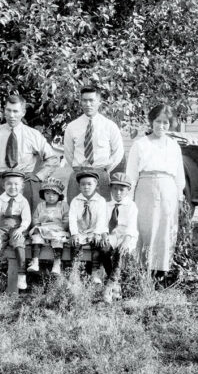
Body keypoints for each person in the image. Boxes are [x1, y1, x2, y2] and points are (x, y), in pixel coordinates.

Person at [0, 95, 59, 231]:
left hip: (25, 183)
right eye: (8, 110)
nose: (11, 115)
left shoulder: (33, 135)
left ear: (23, 112)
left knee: (28, 225)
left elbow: (52, 158)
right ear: (4, 111)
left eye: (15, 111)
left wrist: (39, 176)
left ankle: (25, 250)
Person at [126, 104, 186, 283]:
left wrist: (180, 196)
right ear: (151, 122)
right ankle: (143, 271)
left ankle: (161, 272)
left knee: (166, 228)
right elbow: (131, 175)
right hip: (146, 188)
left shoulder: (174, 146)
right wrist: (128, 200)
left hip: (168, 189)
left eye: (166, 122)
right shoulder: (140, 145)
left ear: (171, 124)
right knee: (146, 227)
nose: (161, 126)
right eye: (158, 121)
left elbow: (179, 175)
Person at [63, 86, 124, 201]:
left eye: (91, 100)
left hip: (101, 175)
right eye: (84, 100)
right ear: (80, 102)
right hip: (79, 175)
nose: (88, 104)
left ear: (99, 102)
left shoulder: (109, 126)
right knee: (76, 212)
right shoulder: (72, 127)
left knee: (102, 213)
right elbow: (68, 154)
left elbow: (118, 152)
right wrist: (80, 169)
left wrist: (105, 170)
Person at [0, 170, 32, 293]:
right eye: (9, 184)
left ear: (22, 186)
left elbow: (27, 219)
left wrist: (21, 229)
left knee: (18, 242)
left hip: (17, 226)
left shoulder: (23, 201)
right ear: (4, 185)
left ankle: (22, 274)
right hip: (1, 226)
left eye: (16, 184)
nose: (13, 187)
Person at [98, 172, 139, 303]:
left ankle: (109, 286)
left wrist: (126, 240)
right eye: (115, 189)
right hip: (112, 235)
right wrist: (104, 233)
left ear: (128, 190)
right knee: (103, 249)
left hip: (127, 236)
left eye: (122, 189)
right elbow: (103, 223)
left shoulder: (131, 206)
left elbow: (132, 226)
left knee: (119, 253)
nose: (118, 193)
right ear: (110, 188)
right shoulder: (107, 205)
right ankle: (116, 285)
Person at [69, 169, 109, 277]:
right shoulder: (75, 201)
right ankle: (74, 271)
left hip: (93, 231)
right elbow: (72, 218)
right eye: (83, 184)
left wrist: (97, 233)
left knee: (96, 245)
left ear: (96, 185)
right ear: (79, 186)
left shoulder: (100, 201)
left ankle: (95, 272)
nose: (86, 187)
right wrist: (74, 233)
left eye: (89, 184)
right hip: (80, 231)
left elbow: (102, 218)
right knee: (75, 245)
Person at [28, 178, 69, 275]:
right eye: (47, 193)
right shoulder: (41, 206)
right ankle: (35, 261)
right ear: (43, 195)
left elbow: (67, 218)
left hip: (58, 229)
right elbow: (35, 218)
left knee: (57, 239)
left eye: (54, 194)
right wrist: (37, 226)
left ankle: (57, 263)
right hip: (43, 228)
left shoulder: (63, 205)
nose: (51, 196)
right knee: (36, 237)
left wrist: (63, 227)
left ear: (59, 195)